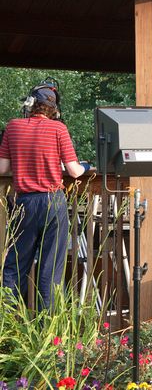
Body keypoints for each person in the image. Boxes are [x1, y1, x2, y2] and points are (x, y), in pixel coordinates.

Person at [0, 82, 88, 310]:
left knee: (15, 266)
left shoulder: (13, 127)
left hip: (24, 203)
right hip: (52, 201)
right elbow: (74, 171)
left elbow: (2, 169)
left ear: (30, 104)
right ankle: (46, 332)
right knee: (49, 269)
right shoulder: (59, 129)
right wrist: (86, 166)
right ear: (54, 110)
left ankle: (7, 326)